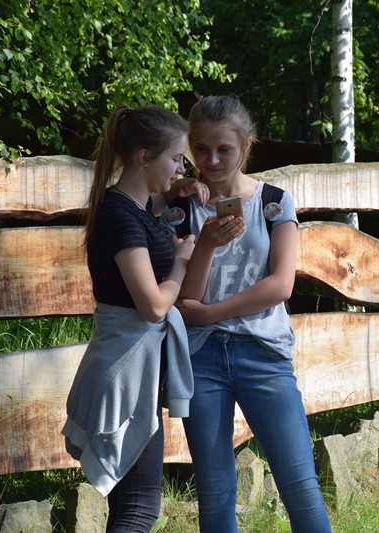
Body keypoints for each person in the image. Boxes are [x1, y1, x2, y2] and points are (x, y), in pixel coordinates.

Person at [175, 95, 332, 532]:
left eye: (224, 149)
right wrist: (207, 243)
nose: (211, 160)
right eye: (201, 149)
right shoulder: (181, 207)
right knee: (214, 491)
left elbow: (281, 285)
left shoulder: (274, 202)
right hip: (200, 358)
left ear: (247, 144)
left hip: (264, 353)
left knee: (299, 484)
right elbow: (186, 298)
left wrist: (212, 313)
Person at [62, 105, 201, 532]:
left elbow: (156, 206)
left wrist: (182, 191)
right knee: (140, 510)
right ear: (144, 157)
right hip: (125, 373)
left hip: (133, 369)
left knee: (130, 507)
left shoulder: (131, 207)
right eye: (176, 159)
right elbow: (154, 306)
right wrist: (181, 263)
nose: (182, 168)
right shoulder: (121, 217)